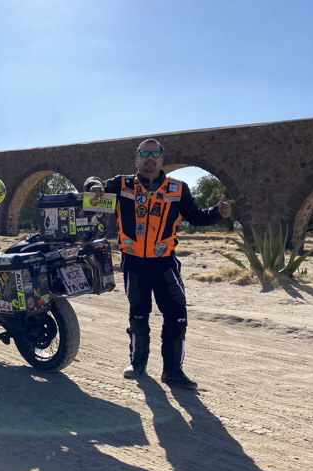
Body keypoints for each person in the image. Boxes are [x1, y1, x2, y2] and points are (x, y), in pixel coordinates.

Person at [86, 138, 231, 389]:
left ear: (162, 159)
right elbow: (92, 189)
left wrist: (217, 213)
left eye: (155, 153)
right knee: (139, 315)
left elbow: (195, 217)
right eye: (144, 153)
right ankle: (137, 363)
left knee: (176, 317)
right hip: (134, 264)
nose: (149, 157)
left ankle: (173, 371)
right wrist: (96, 185)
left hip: (165, 264)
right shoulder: (122, 184)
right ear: (137, 158)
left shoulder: (178, 188)